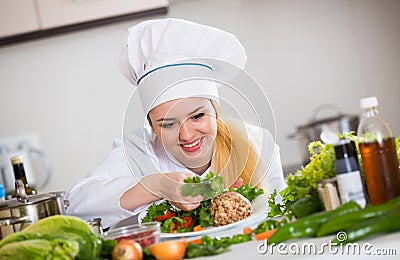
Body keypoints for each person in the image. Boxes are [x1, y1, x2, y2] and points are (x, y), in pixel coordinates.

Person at [66, 18, 286, 228]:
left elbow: (282, 213)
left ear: (215, 111)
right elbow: (74, 206)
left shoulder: (258, 142)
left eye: (197, 116)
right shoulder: (136, 151)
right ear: (152, 126)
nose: (187, 135)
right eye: (167, 124)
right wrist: (157, 185)